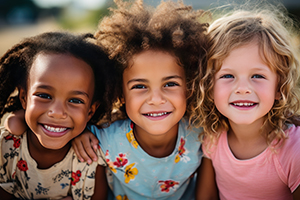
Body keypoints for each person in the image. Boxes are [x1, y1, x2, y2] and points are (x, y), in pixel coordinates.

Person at [70, 0, 208, 199]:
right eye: (140, 86)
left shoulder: (202, 135)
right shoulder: (101, 140)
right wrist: (78, 133)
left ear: (190, 86)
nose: (156, 99)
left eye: (170, 84)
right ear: (119, 93)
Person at [195, 6, 300, 200]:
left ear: (279, 87)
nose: (243, 88)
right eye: (228, 75)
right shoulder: (213, 138)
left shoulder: (294, 150)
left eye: (257, 76)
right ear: (209, 86)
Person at [0, 31, 118, 199]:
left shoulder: (92, 157)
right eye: (44, 96)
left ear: (90, 111)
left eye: (75, 101)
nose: (57, 112)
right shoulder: (5, 148)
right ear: (24, 98)